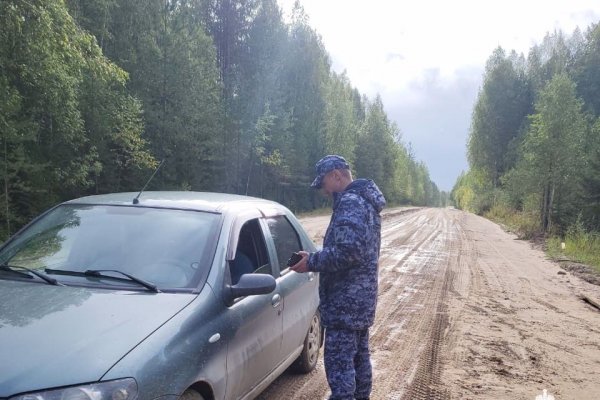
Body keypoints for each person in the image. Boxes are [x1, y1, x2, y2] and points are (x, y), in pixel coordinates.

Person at [290, 155, 386, 400]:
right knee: (359, 362)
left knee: (341, 371)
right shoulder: (365, 201)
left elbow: (347, 252)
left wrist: (311, 261)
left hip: (345, 304)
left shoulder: (351, 202)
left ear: (336, 175)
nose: (322, 189)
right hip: (360, 303)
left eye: (323, 182)